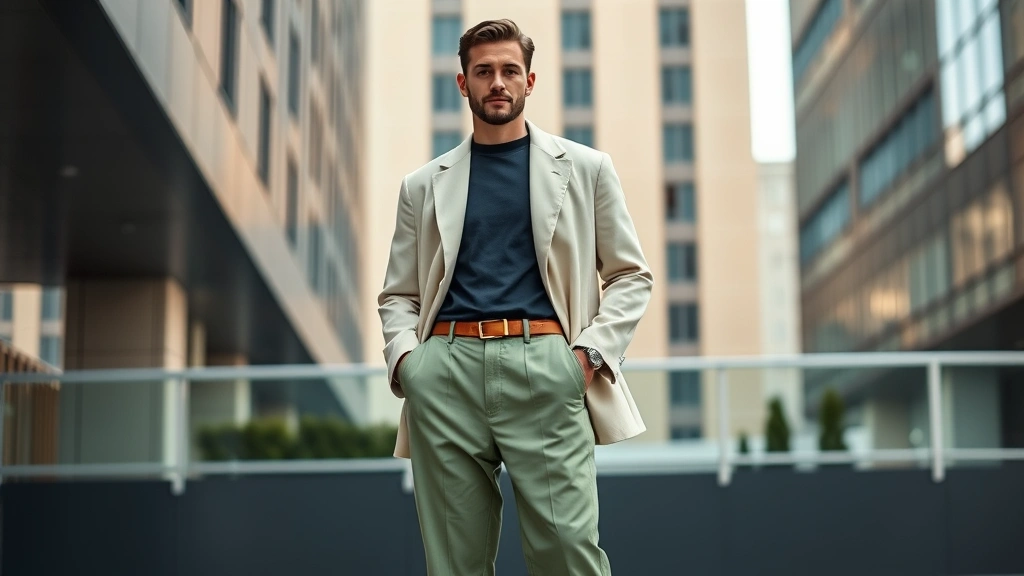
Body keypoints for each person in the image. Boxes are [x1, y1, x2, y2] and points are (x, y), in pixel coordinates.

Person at [378, 18, 653, 576]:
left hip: (548, 368)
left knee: (568, 554)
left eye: (509, 71)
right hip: (445, 374)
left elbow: (630, 275)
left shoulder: (586, 169)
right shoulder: (422, 184)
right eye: (484, 72)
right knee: (454, 562)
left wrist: (587, 358)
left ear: (530, 81)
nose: (497, 82)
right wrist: (411, 365)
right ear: (463, 84)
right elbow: (398, 294)